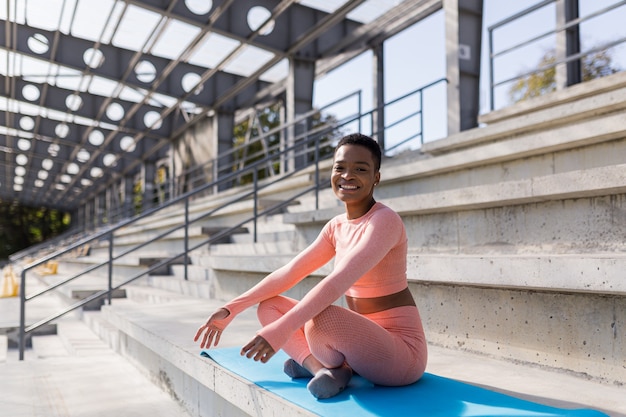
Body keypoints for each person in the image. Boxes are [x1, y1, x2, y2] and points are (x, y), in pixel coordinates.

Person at [194, 133, 427, 399]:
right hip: (361, 346)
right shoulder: (336, 226)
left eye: (360, 169)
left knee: (321, 316)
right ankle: (322, 370)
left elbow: (338, 281)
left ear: (376, 177)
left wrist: (280, 332)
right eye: (340, 167)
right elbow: (290, 273)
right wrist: (231, 309)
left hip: (401, 357)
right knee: (270, 306)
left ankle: (331, 363)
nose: (347, 176)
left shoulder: (384, 221)